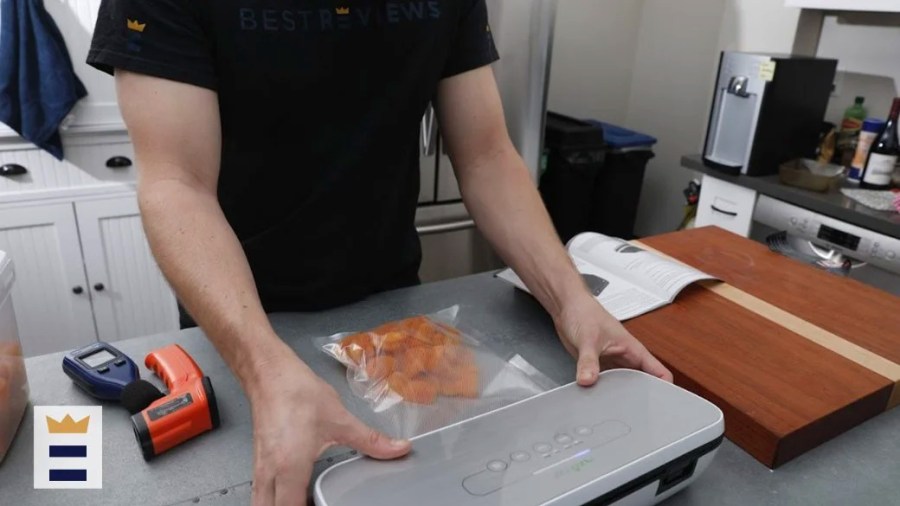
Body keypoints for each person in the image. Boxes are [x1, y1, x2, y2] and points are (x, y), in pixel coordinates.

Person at [88, 1, 672, 504]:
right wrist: (264, 370)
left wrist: (570, 298)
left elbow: (487, 155)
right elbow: (176, 185)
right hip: (241, 323)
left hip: (392, 313)